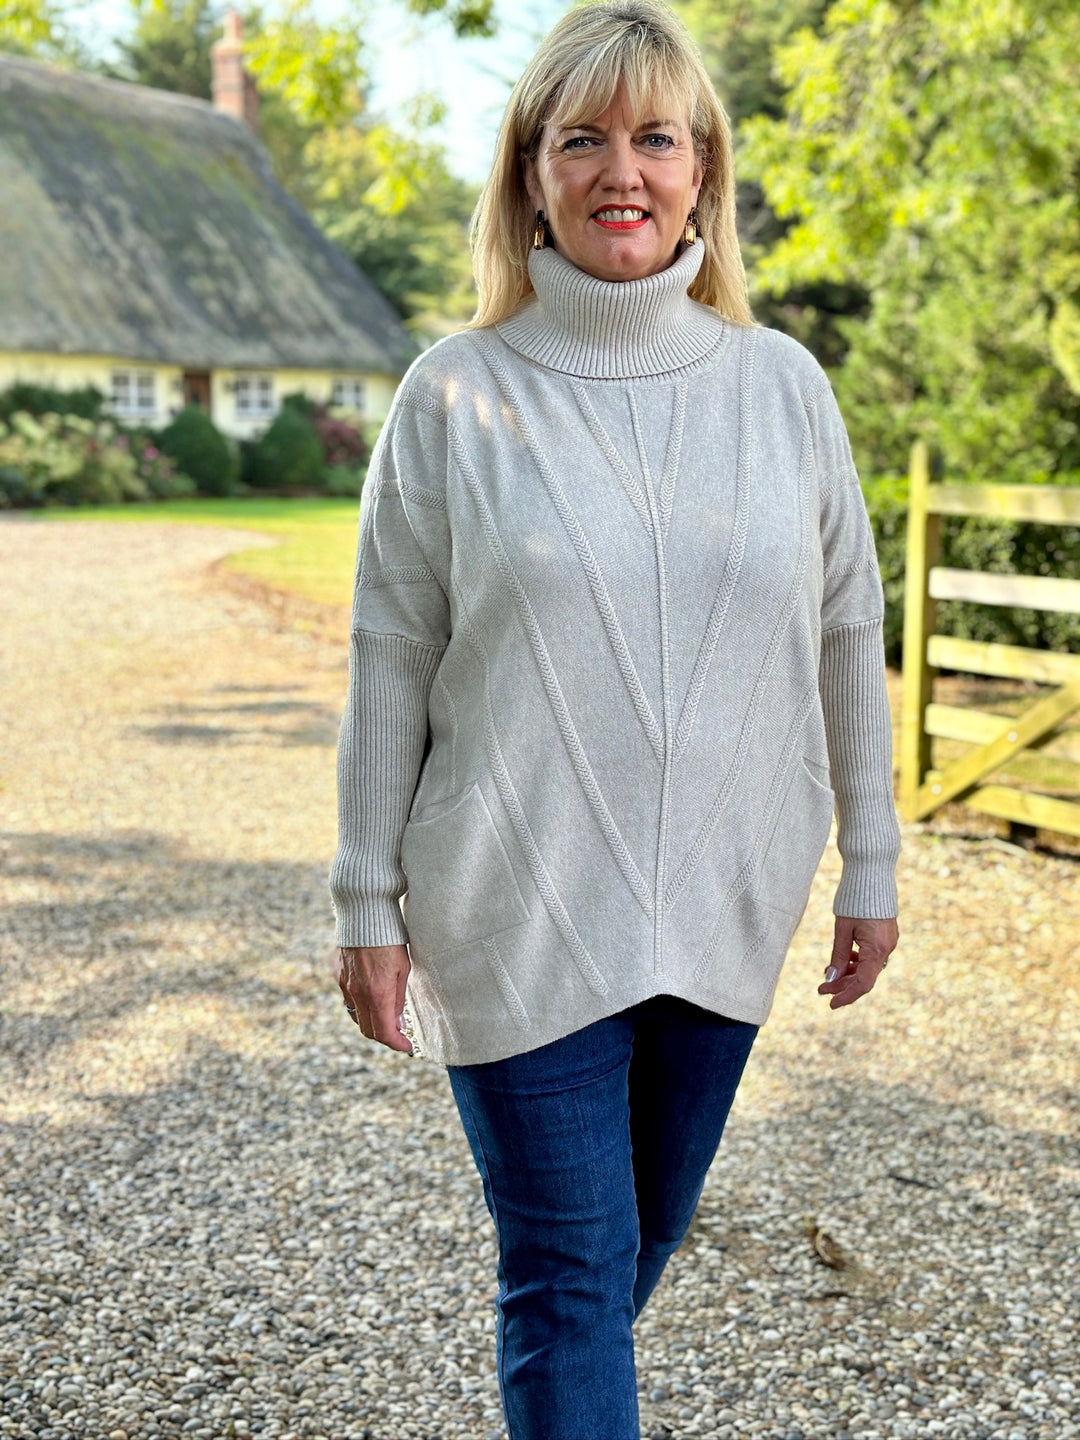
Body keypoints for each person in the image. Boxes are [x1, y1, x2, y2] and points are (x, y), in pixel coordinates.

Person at [330, 2, 901, 1435]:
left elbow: (846, 631)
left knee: (637, 1241)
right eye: (581, 140)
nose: (621, 172)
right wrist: (363, 899)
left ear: (703, 170)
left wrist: (873, 863)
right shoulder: (454, 396)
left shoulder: (782, 389)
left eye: (655, 138)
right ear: (532, 174)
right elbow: (391, 657)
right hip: (513, 901)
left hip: (728, 896)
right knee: (571, 1274)